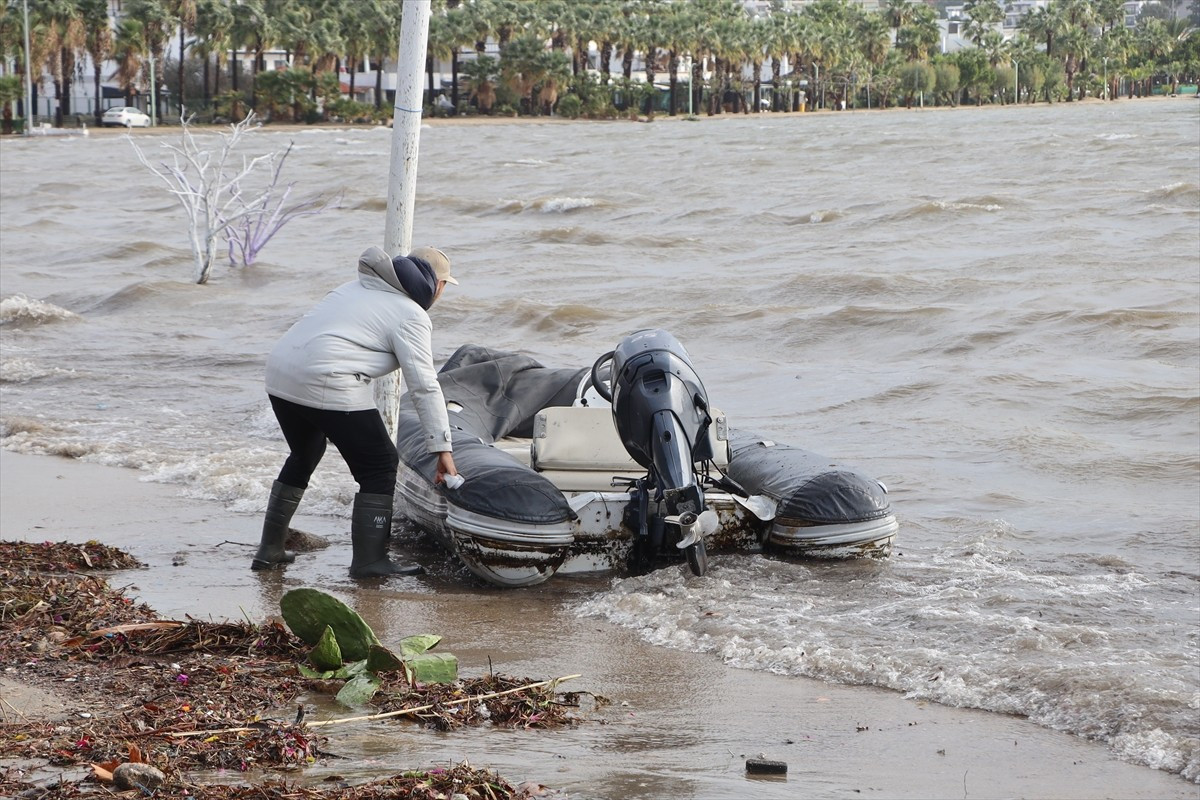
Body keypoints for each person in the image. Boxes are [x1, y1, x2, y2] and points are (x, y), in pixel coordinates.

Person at [251, 245, 459, 578]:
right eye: (445, 285)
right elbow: (424, 386)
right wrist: (442, 449)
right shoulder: (412, 314)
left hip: (280, 373)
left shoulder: (353, 288)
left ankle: (270, 549)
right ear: (437, 284)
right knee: (379, 465)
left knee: (304, 453)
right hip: (326, 378)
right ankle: (370, 562)